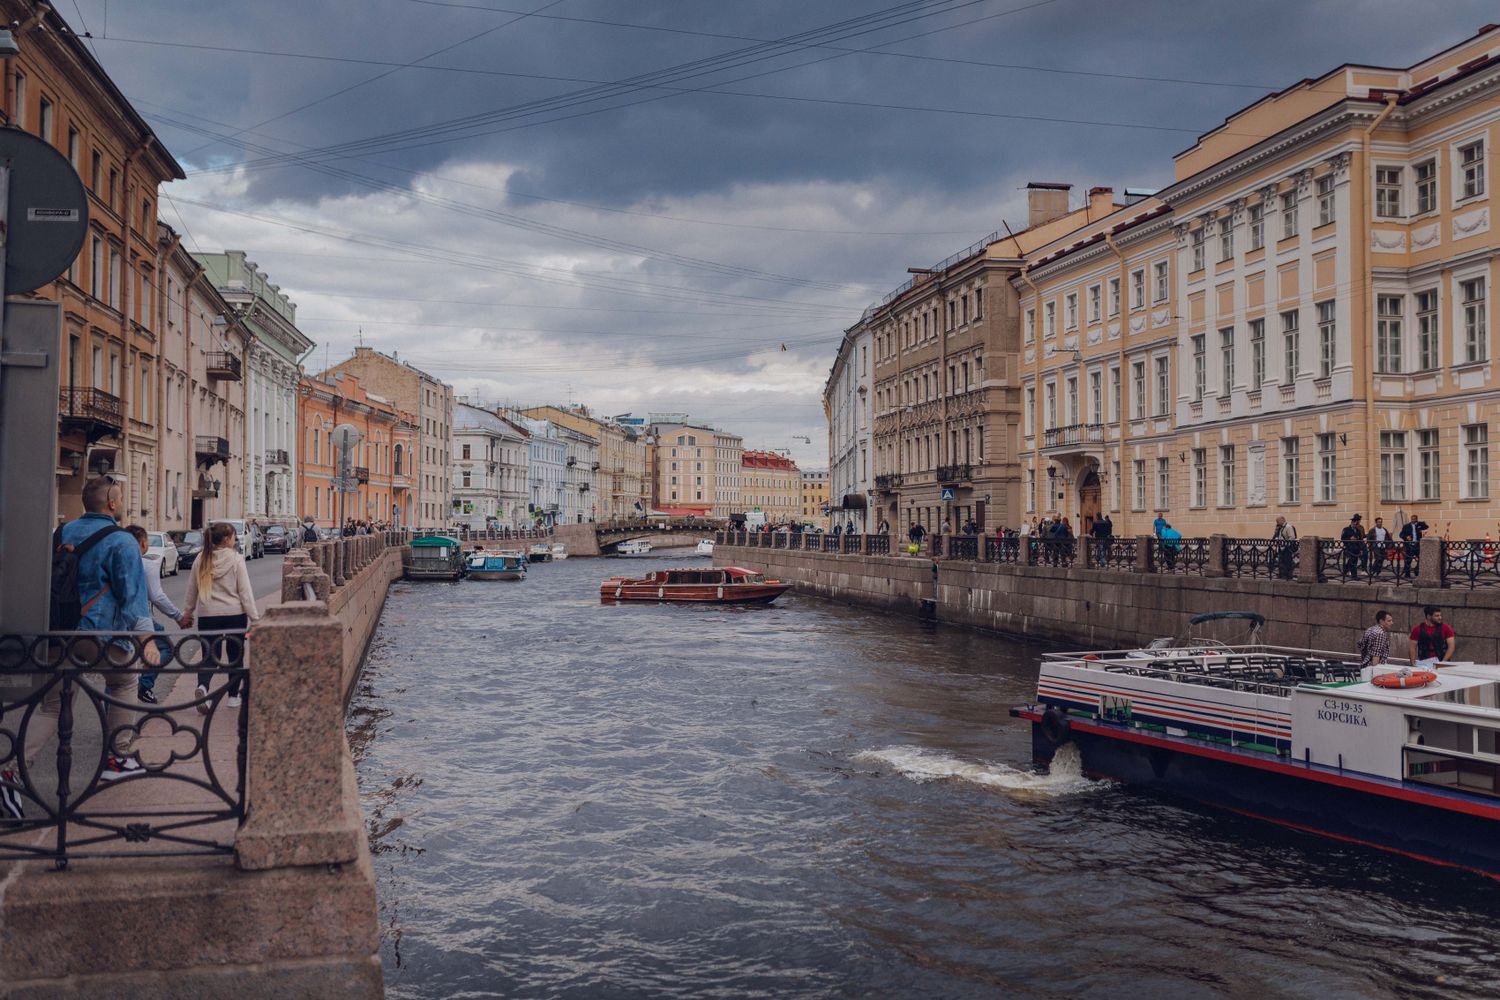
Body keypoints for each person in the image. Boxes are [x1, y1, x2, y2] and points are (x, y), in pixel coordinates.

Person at [5, 478, 160, 819]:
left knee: (52, 706)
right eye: (120, 500)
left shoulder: (61, 534)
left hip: (59, 634)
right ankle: (117, 759)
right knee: (124, 679)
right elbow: (133, 598)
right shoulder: (121, 541)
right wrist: (147, 641)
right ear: (112, 505)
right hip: (99, 636)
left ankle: (9, 771)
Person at [181, 522, 260, 713]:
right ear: (226, 540)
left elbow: (192, 589)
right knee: (235, 656)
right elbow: (245, 592)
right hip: (235, 615)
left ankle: (204, 690)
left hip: (208, 615)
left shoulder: (201, 558)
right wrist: (255, 619)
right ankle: (233, 696)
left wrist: (188, 613)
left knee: (208, 655)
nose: (235, 540)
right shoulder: (236, 559)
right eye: (233, 537)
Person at [125, 524, 183, 706]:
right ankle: (145, 684)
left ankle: (109, 714)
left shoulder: (114, 560)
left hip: (114, 619)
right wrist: (178, 616)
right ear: (143, 543)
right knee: (166, 648)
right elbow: (156, 596)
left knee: (117, 666)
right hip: (140, 619)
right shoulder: (147, 564)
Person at [1400, 514, 1429, 578]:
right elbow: (1401, 535)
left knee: (1420, 559)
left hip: (1417, 545)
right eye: (1412, 519)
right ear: (1411, 519)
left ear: (1416, 519)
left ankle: (1416, 570)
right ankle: (1407, 574)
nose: (1413, 520)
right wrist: (1406, 537)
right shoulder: (1406, 526)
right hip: (1409, 545)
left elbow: (1426, 527)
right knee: (1408, 560)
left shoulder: (1419, 525)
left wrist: (1420, 523)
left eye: (1415, 519)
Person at [1340, 514, 1367, 578]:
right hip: (1349, 548)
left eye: (1356, 524)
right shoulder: (1346, 529)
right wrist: (1349, 539)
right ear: (1351, 523)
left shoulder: (1357, 530)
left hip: (1356, 548)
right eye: (1354, 523)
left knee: (1353, 561)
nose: (1355, 525)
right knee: (1352, 561)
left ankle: (1345, 572)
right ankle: (1354, 576)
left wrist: (1361, 549)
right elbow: (1343, 538)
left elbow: (1360, 540)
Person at [1272, 516, 1297, 580]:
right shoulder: (1280, 527)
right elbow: (1278, 536)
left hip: (1286, 547)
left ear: (1282, 520)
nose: (1277, 523)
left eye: (1278, 521)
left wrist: (1285, 544)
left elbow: (1292, 537)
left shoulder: (1288, 527)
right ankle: (1282, 574)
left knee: (1287, 561)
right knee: (1281, 561)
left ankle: (1287, 575)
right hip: (1281, 547)